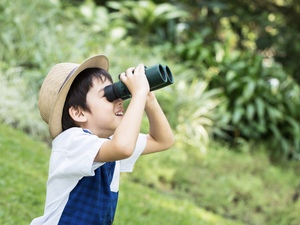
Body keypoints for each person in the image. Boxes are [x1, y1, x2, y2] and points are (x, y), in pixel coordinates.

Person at [30, 54, 174, 225]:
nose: (119, 99)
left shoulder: (109, 142)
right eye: (108, 95)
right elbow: (122, 147)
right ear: (78, 112)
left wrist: (149, 100)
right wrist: (138, 94)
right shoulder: (71, 142)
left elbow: (162, 140)